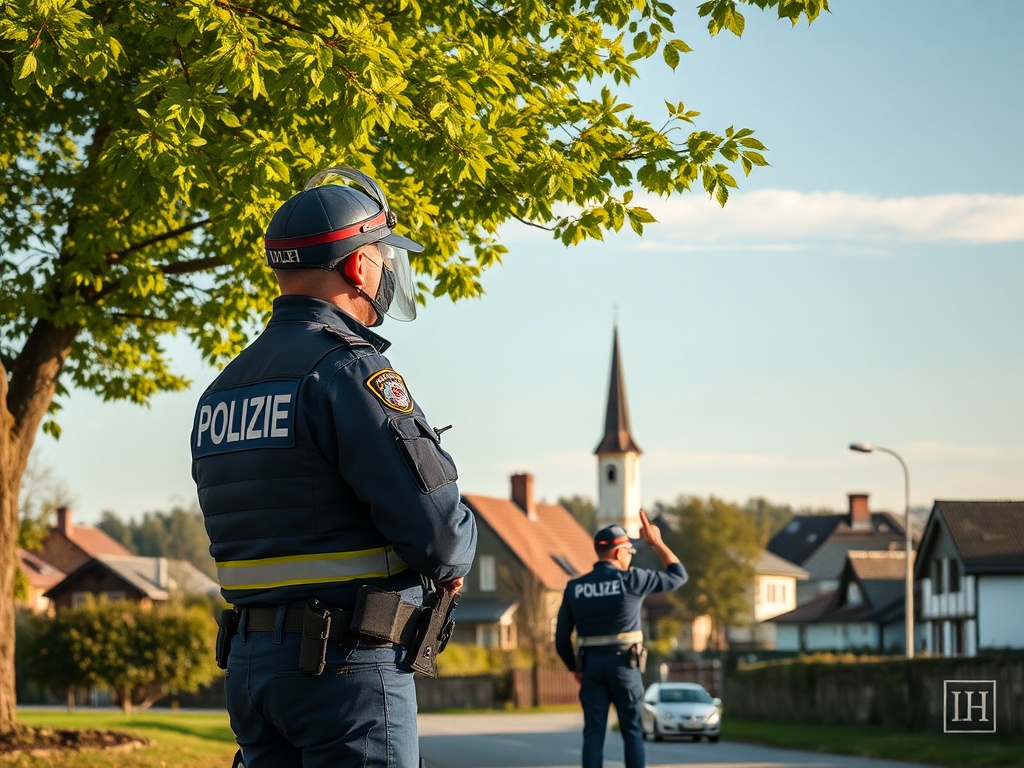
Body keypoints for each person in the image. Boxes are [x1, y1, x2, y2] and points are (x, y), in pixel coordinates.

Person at [190, 166, 478, 768]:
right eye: (382, 257)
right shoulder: (350, 371)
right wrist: (456, 555)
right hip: (345, 671)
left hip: (251, 671)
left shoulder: (224, 390)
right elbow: (439, 535)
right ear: (358, 267)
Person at [555, 509, 687, 768]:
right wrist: (657, 542)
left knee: (593, 733)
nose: (630, 558)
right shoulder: (632, 580)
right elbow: (678, 575)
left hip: (591, 666)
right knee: (632, 732)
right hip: (625, 666)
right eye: (630, 552)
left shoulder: (575, 587)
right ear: (619, 553)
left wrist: (575, 668)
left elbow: (561, 638)